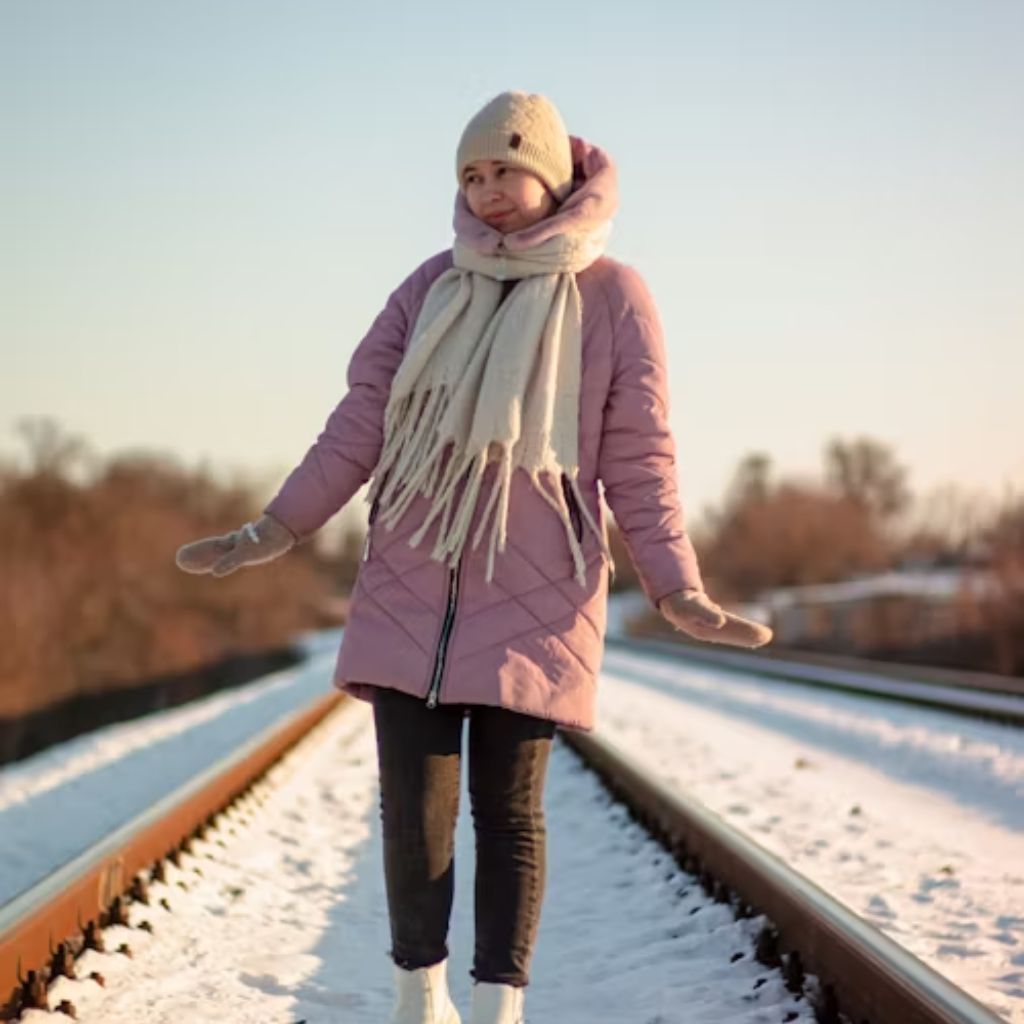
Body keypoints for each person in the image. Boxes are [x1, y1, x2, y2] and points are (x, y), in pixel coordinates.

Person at [176, 90, 772, 1024]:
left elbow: (640, 457)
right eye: (471, 174)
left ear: (552, 174)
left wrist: (675, 583)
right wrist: (276, 527)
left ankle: (499, 1006)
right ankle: (419, 997)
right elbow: (359, 425)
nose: (488, 190)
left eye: (505, 169)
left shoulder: (613, 296)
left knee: (508, 814)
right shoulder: (427, 287)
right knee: (412, 814)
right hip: (410, 575)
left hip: (538, 589)